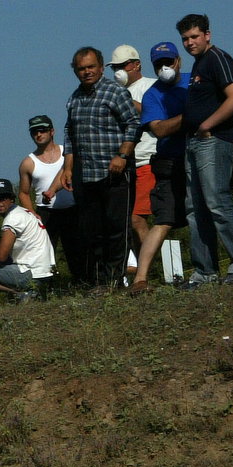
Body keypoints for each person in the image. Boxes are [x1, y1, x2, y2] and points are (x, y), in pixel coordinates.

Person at [178, 13, 233, 287]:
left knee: (217, 200)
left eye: (195, 37)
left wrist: (206, 125)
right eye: (185, 39)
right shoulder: (199, 65)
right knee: (195, 208)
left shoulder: (217, 58)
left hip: (216, 139)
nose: (190, 43)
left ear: (207, 35)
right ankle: (205, 270)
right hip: (195, 142)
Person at [62, 46, 139, 289]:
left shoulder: (114, 92)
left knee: (117, 229)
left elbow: (133, 124)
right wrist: (67, 167)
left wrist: (122, 155)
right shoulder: (74, 98)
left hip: (115, 173)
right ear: (75, 70)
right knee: (92, 231)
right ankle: (98, 281)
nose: (87, 72)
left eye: (91, 67)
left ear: (101, 65)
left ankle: (115, 280)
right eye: (81, 68)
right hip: (86, 175)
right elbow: (69, 133)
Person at [130, 43, 190, 294]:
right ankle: (140, 279)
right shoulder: (153, 94)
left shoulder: (194, 82)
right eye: (159, 64)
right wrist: (192, 116)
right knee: (163, 219)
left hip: (199, 154)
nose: (165, 67)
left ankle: (212, 268)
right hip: (168, 160)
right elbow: (159, 129)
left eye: (169, 61)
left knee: (209, 212)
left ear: (179, 61)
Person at [0, 179, 56, 303]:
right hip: (44, 272)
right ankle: (31, 292)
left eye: (1, 198)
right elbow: (9, 240)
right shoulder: (22, 212)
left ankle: (22, 294)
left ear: (11, 198)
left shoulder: (12, 218)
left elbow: (1, 256)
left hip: (31, 272)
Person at [110, 45, 157, 268]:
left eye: (123, 66)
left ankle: (146, 270)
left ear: (136, 64)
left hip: (147, 160)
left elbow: (155, 114)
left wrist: (126, 100)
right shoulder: (113, 91)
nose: (119, 71)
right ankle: (140, 270)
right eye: (115, 67)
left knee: (138, 218)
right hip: (124, 165)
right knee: (127, 222)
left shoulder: (150, 86)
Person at [16, 114, 76, 274]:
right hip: (46, 212)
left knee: (76, 250)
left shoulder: (67, 153)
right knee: (44, 254)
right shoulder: (28, 163)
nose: (38, 134)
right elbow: (23, 193)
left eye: (42, 130)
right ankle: (46, 289)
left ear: (52, 131)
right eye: (34, 132)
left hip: (72, 209)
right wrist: (33, 215)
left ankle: (81, 283)